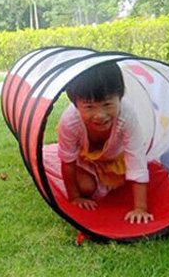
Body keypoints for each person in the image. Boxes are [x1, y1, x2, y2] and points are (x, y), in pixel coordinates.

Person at [57, 61, 154, 224]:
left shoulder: (127, 116)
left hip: (114, 159)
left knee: (125, 184)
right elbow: (67, 161)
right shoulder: (70, 121)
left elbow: (136, 160)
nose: (100, 115)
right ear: (76, 105)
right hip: (86, 161)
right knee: (86, 187)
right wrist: (75, 197)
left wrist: (140, 208)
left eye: (107, 104)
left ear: (120, 97)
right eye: (89, 107)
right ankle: (90, 181)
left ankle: (107, 181)